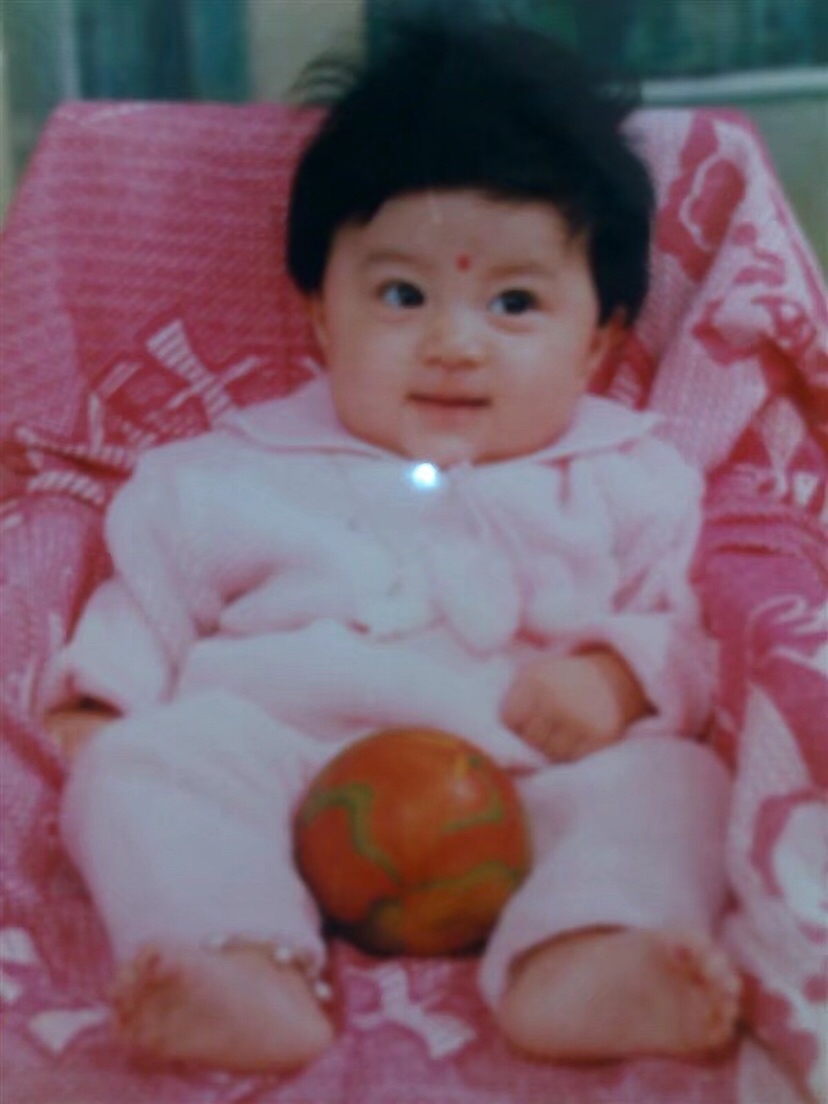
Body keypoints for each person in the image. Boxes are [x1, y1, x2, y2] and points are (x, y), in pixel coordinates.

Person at [41, 17, 741, 1075]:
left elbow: (686, 631)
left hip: (526, 791)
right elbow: (143, 601)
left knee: (677, 785)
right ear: (322, 315)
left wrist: (613, 680)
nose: (454, 343)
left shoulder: (630, 479)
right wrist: (106, 710)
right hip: (278, 777)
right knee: (141, 768)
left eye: (514, 303)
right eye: (402, 296)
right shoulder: (222, 474)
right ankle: (237, 962)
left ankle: (586, 953)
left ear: (598, 339)